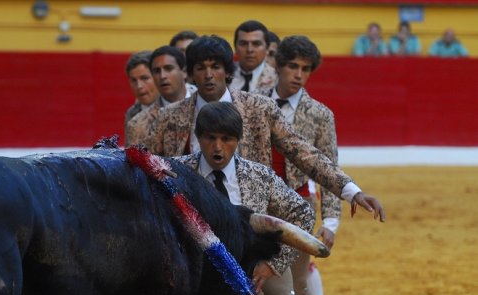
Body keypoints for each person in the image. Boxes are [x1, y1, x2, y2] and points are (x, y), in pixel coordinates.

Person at [144, 34, 386, 225]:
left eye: (215, 66)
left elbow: (301, 151)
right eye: (201, 68)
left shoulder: (259, 109)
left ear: (228, 71)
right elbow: (145, 166)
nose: (208, 75)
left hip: (252, 224)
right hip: (190, 225)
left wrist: (350, 191)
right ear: (191, 74)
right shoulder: (169, 117)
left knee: (280, 290)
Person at [166, 101, 316, 295]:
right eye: (210, 137)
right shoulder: (176, 173)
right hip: (193, 289)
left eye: (227, 138)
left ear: (238, 140)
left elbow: (303, 214)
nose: (218, 147)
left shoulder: (257, 176)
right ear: (199, 137)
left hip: (241, 286)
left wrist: (272, 264)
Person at [263, 35, 340, 295]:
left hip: (298, 209)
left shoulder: (320, 114)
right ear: (278, 65)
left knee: (297, 288)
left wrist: (333, 220)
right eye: (292, 66)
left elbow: (329, 166)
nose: (298, 74)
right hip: (257, 205)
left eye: (305, 69)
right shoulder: (252, 103)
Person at [125, 46, 194, 146]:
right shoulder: (136, 122)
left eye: (145, 78)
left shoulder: (204, 99)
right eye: (157, 71)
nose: (162, 76)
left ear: (184, 72)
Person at [229, 20, 278, 94]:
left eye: (256, 44)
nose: (249, 49)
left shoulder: (278, 80)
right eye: (243, 43)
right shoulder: (224, 76)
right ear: (235, 47)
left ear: (267, 48)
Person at [123, 50, 160, 127]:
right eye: (133, 80)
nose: (139, 86)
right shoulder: (132, 113)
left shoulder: (180, 107)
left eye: (145, 78)